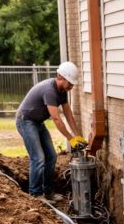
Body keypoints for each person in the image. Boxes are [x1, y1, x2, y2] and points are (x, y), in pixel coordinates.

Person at [16, 61, 87, 202]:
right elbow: (56, 118)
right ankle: (35, 194)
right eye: (70, 83)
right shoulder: (50, 90)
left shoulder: (62, 91)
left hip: (38, 122)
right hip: (25, 121)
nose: (72, 86)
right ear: (61, 78)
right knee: (38, 158)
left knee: (51, 157)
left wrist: (77, 136)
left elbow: (68, 115)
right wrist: (70, 139)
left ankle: (48, 192)